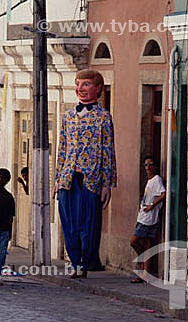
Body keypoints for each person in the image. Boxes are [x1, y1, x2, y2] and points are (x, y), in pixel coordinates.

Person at [53, 69, 117, 279]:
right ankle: (75, 262)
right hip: (68, 178)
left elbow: (108, 150)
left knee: (88, 224)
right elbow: (62, 148)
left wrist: (107, 184)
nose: (80, 88)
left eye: (86, 84)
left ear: (98, 88)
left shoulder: (103, 118)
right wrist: (57, 179)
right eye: (78, 84)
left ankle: (85, 262)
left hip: (91, 179)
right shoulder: (68, 116)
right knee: (68, 223)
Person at [130, 156, 165, 283]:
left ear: (155, 167)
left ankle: (142, 262)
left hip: (148, 218)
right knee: (146, 245)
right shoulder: (150, 181)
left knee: (134, 241)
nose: (148, 167)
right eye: (145, 165)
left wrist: (152, 205)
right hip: (143, 216)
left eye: (150, 164)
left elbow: (163, 194)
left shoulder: (157, 180)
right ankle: (145, 273)